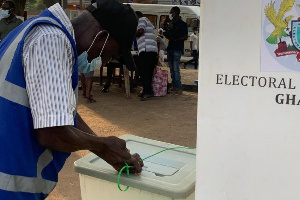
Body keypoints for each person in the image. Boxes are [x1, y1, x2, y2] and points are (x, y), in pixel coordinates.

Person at [0, 0, 143, 199]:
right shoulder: (51, 40)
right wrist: (104, 146)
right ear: (101, 36)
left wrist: (108, 151)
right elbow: (51, 132)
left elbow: (64, 116)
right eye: (111, 54)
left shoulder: (38, 30)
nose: (106, 61)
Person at [163, 6, 188, 95]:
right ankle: (174, 86)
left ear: (176, 12)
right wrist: (166, 22)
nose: (171, 14)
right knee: (172, 69)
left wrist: (176, 39)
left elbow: (185, 36)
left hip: (177, 48)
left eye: (172, 12)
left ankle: (179, 87)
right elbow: (165, 31)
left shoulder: (183, 24)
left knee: (176, 68)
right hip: (170, 47)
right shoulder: (171, 24)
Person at [135, 11, 158, 101]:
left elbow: (140, 31)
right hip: (151, 50)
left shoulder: (142, 19)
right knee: (148, 72)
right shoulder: (148, 22)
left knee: (144, 71)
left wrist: (132, 34)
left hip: (146, 49)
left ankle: (147, 92)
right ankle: (147, 91)